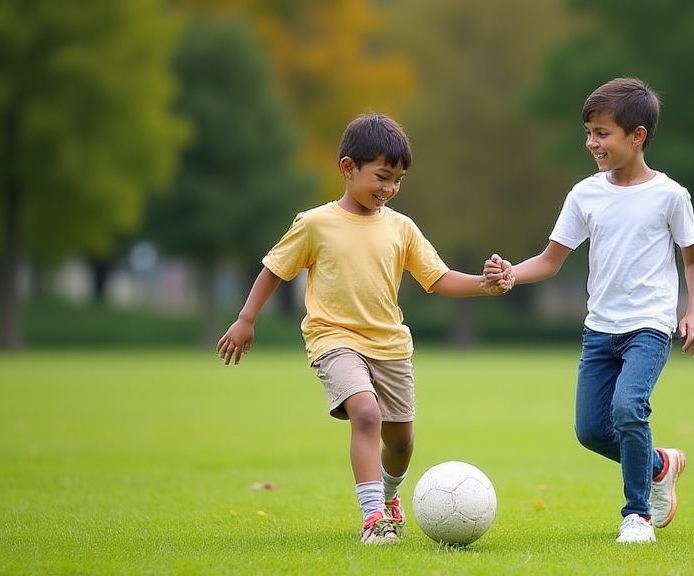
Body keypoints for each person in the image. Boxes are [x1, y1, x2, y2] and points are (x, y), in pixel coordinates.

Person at [216, 113, 512, 546]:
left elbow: (438, 278)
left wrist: (483, 285)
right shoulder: (315, 223)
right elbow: (273, 269)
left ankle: (390, 496)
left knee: (402, 442)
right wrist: (246, 319)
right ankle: (374, 518)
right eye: (382, 176)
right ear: (348, 168)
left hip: (390, 345)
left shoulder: (401, 227)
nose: (389, 189)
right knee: (367, 414)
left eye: (398, 180)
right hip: (333, 339)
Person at [485, 77, 694, 544]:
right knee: (590, 430)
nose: (592, 143)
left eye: (603, 133)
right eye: (589, 132)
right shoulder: (585, 194)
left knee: (630, 409)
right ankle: (660, 465)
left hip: (648, 326)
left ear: (637, 136)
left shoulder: (670, 196)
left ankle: (637, 515)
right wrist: (511, 273)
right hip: (599, 331)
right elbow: (550, 260)